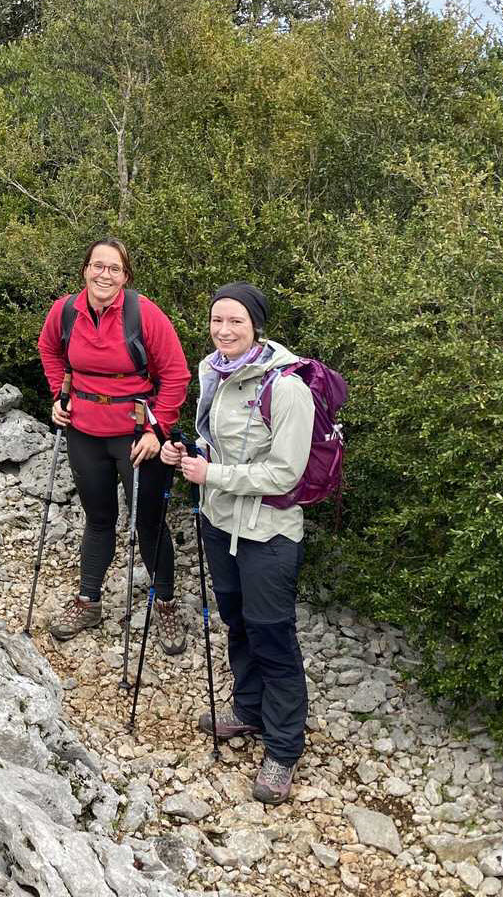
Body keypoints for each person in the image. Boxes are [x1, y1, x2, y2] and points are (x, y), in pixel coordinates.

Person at [159, 282, 312, 805]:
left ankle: (285, 747)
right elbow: (210, 443)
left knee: (272, 636)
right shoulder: (213, 372)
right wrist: (183, 455)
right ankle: (248, 710)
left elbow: (287, 472)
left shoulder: (286, 388)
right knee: (236, 623)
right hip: (220, 522)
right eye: (217, 321)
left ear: (257, 327)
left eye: (236, 323)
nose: (224, 331)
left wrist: (212, 473)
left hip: (269, 532)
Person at [36, 238, 191, 648]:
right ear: (85, 269)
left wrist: (158, 432)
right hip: (84, 430)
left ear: (126, 276)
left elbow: (176, 375)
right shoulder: (66, 311)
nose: (104, 274)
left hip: (136, 434)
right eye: (97, 266)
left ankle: (166, 605)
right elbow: (49, 348)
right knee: (99, 517)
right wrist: (59, 395)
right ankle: (89, 601)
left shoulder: (144, 314)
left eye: (114, 269)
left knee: (149, 522)